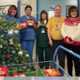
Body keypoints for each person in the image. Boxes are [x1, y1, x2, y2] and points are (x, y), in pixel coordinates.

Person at [61, 6, 80, 76]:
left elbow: (79, 31)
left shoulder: (79, 20)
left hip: (76, 45)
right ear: (69, 12)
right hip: (67, 44)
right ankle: (69, 75)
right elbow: (62, 29)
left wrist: (71, 38)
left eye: (75, 11)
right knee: (69, 60)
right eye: (72, 11)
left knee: (76, 61)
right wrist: (66, 38)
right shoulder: (66, 20)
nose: (74, 13)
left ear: (77, 12)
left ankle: (77, 76)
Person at [47, 5, 65, 70]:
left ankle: (61, 72)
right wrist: (49, 40)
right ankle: (53, 71)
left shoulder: (64, 19)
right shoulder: (51, 19)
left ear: (61, 11)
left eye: (58, 10)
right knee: (53, 58)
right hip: (53, 41)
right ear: (54, 11)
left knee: (62, 58)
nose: (57, 11)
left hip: (61, 41)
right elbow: (48, 29)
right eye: (56, 9)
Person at [18, 5, 36, 69]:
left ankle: (30, 65)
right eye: (27, 10)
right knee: (23, 52)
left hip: (31, 38)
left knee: (30, 52)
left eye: (30, 10)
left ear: (31, 11)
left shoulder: (33, 19)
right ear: (25, 10)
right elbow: (18, 27)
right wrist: (23, 26)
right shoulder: (21, 18)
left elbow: (35, 29)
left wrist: (35, 27)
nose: (29, 11)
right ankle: (23, 65)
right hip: (24, 38)